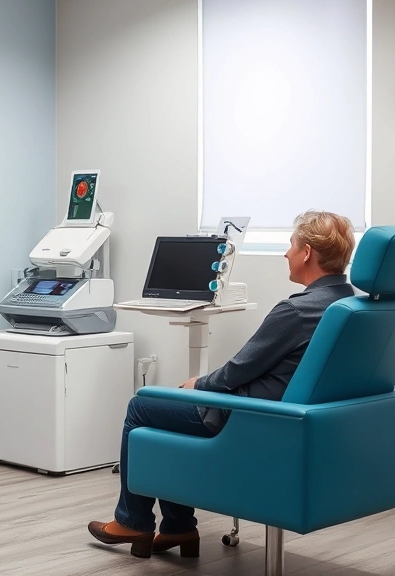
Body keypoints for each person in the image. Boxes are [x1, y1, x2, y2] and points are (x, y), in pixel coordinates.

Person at [88, 210, 357, 558]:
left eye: (291, 245)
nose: (286, 254)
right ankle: (177, 528)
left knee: (142, 406)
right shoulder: (351, 306)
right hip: (296, 421)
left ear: (306, 252)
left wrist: (199, 384)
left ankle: (133, 521)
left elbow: (237, 371)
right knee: (168, 413)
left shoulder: (297, 311)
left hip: (248, 417)